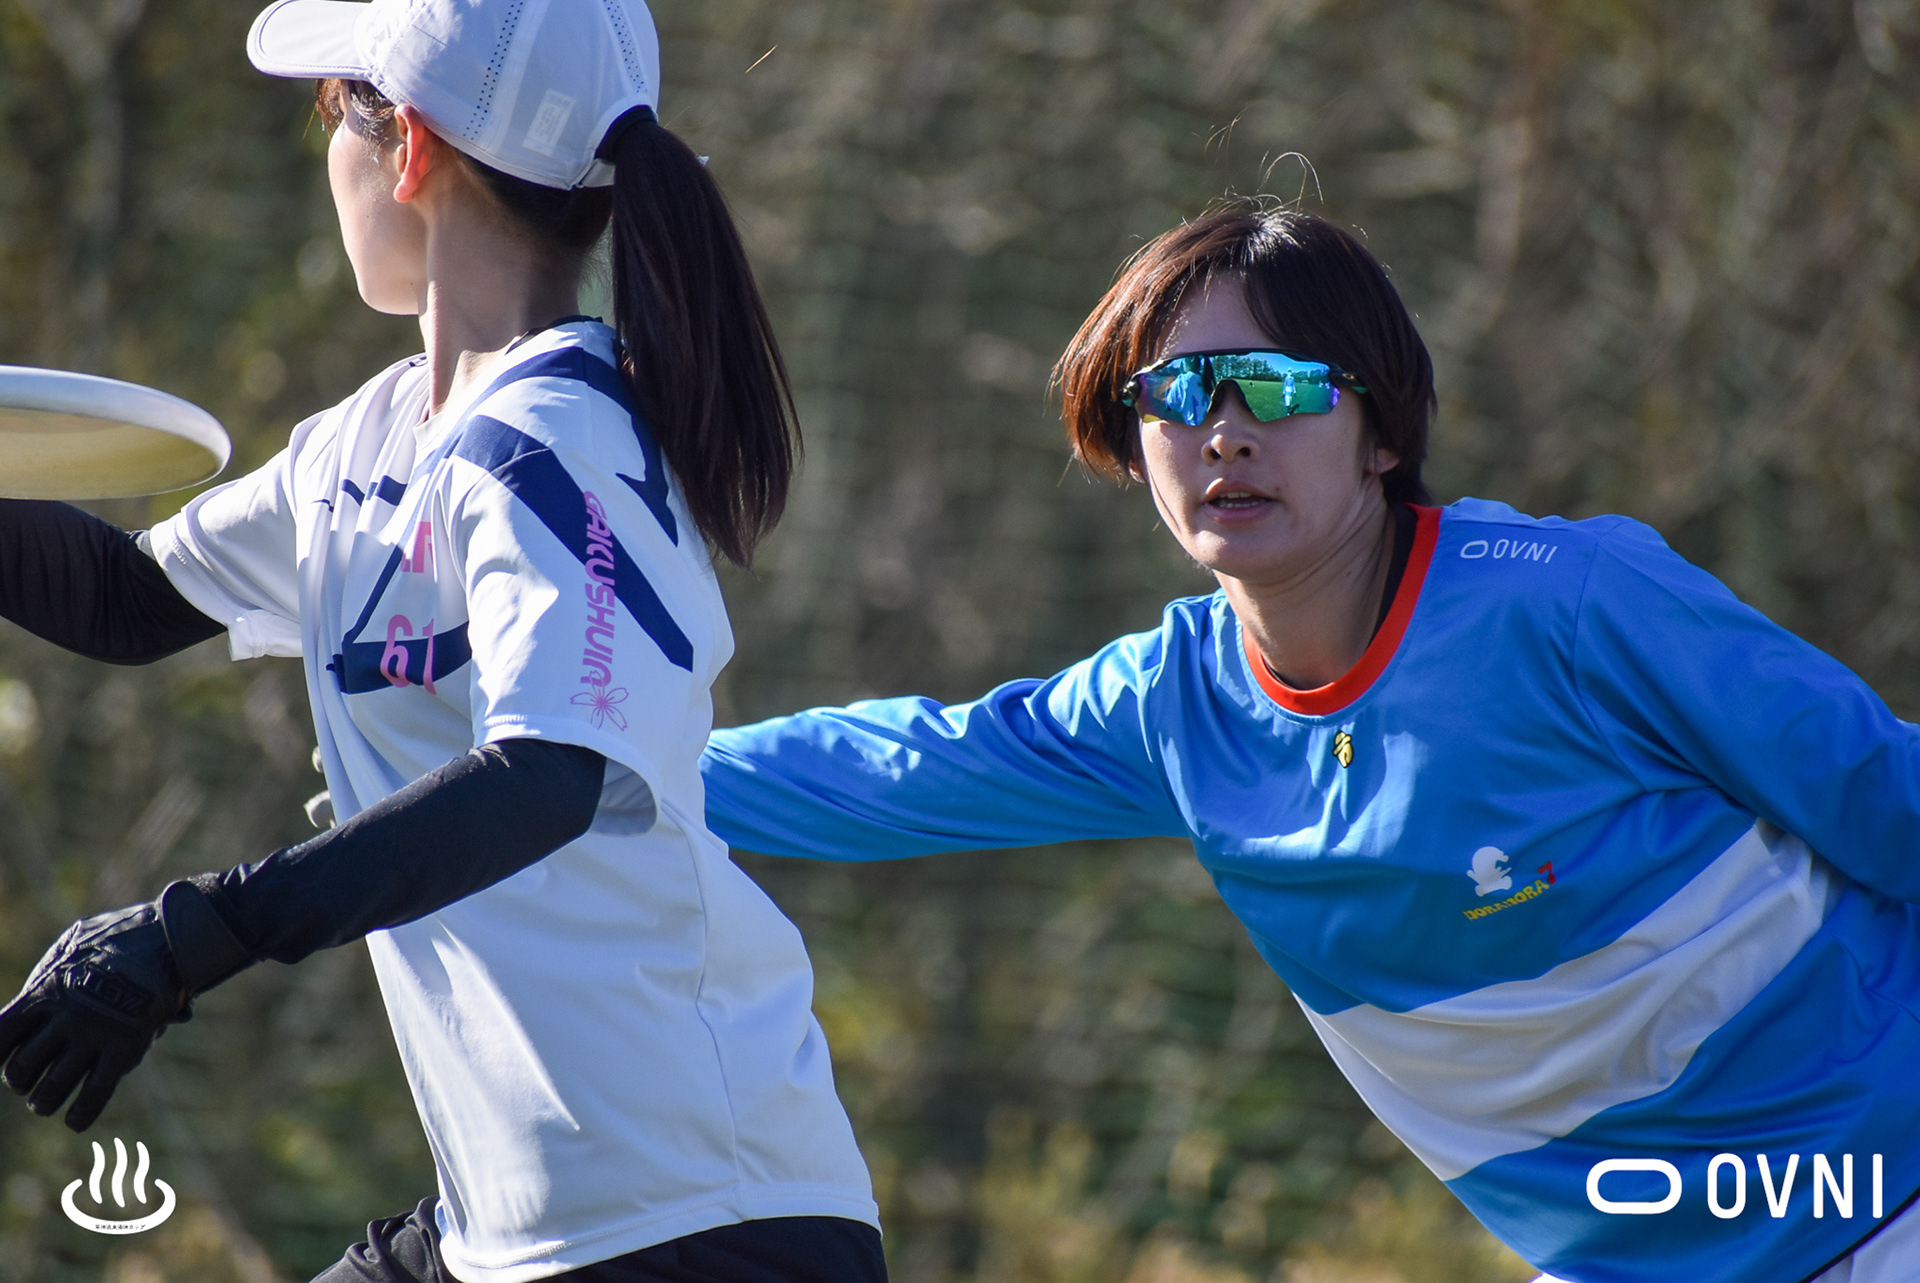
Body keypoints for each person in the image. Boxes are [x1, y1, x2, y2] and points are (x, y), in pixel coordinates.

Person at [697, 203, 1920, 1283]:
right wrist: (625, 771)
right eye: (1179, 394)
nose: (1224, 431)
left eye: (1278, 387)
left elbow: (1890, 794)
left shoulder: (1568, 602)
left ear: (1383, 433)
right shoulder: (1167, 705)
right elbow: (897, 766)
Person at [0, 2, 886, 1280]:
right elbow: (127, 599)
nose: (327, 153)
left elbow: (544, 778)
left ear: (406, 146)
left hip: (702, 1218)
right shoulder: (370, 441)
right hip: (519, 1225)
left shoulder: (553, 443)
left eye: (332, 111)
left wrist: (196, 934)